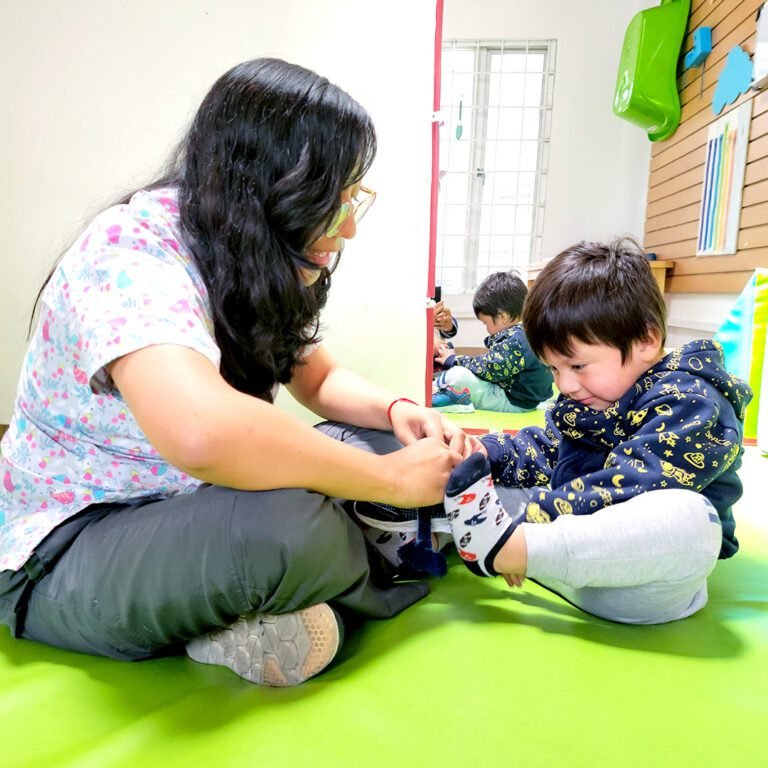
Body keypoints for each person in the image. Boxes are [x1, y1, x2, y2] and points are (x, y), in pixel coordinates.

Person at [0, 58, 479, 687]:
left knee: (388, 443)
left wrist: (397, 414)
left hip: (193, 502)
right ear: (270, 188)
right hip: (68, 544)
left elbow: (316, 377)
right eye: (333, 200)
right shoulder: (132, 253)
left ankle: (278, 600)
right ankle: (364, 555)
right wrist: (388, 483)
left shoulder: (242, 247)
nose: (350, 226)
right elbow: (200, 431)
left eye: (351, 197)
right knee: (291, 532)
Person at [440, 238, 751, 624]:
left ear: (646, 341)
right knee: (479, 479)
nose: (565, 385)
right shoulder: (590, 398)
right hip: (559, 550)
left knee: (693, 521)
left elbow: (637, 482)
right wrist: (484, 451)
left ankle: (509, 546)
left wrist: (534, 521)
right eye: (554, 369)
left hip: (639, 580)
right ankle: (440, 529)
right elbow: (548, 447)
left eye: (577, 366)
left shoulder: (691, 400)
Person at [432, 271, 553, 413]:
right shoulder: (528, 331)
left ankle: (436, 390)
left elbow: (490, 367)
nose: (488, 330)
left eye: (485, 323)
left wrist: (454, 360)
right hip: (522, 398)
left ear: (504, 317)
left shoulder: (516, 341)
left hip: (512, 401)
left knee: (457, 375)